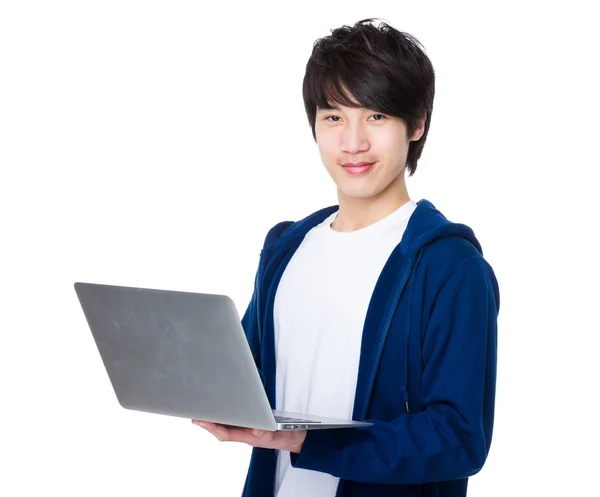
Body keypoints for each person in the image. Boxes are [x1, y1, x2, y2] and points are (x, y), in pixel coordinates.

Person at [192, 17, 500, 497]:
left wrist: (304, 442)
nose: (352, 142)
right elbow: (250, 376)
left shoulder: (450, 268)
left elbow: (458, 437)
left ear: (416, 124)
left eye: (375, 116)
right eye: (333, 116)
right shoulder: (285, 249)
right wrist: (200, 382)